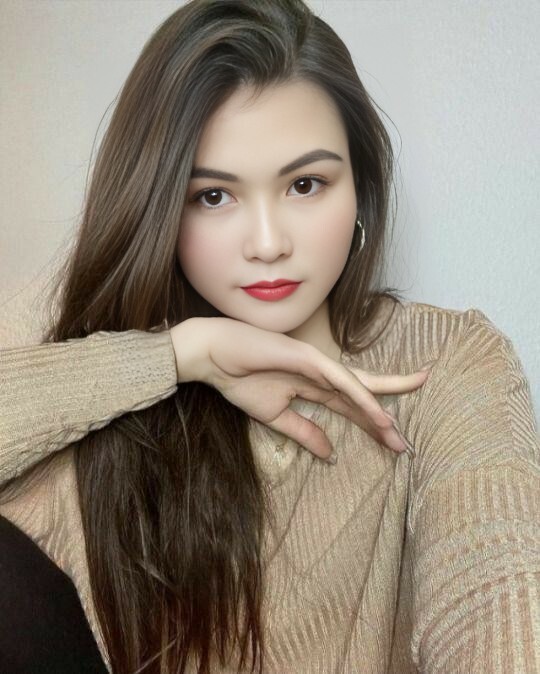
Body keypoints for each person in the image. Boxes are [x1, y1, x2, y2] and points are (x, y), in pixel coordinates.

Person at [0, 1, 538, 673]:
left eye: (305, 184)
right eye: (213, 196)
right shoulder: (95, 377)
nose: (267, 243)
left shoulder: (447, 361)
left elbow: (498, 588)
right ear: (161, 208)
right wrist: (177, 356)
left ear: (361, 191)